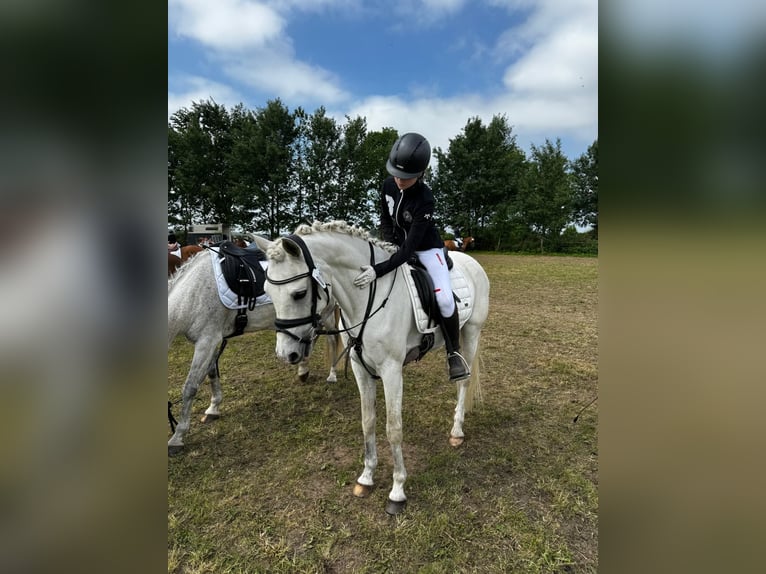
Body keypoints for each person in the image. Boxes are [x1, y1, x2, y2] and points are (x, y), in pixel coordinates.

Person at [353, 132, 469, 381]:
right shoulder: (387, 185)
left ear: (421, 174)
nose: (399, 180)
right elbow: (385, 218)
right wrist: (386, 244)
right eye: (396, 173)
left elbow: (410, 248)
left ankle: (454, 353)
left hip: (426, 249)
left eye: (405, 177)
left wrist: (378, 270)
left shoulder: (426, 199)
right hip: (396, 245)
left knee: (446, 301)